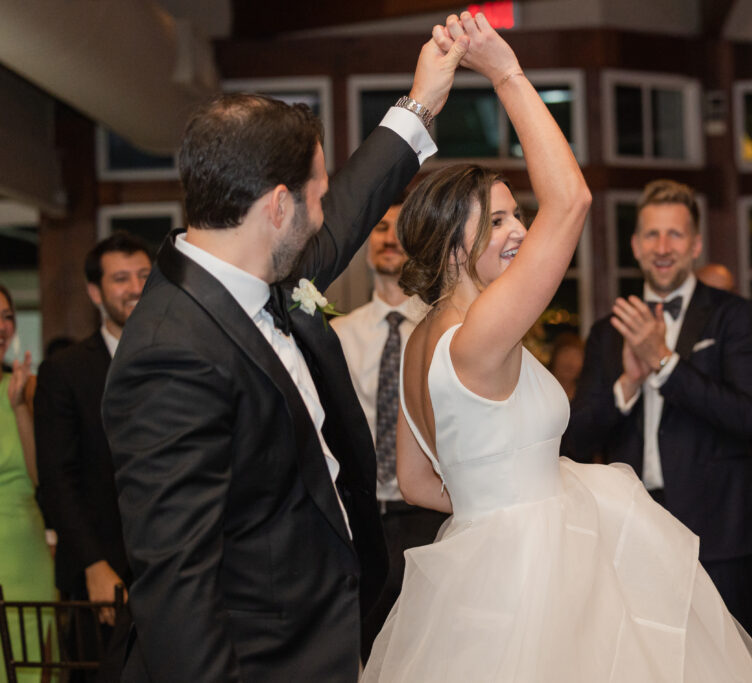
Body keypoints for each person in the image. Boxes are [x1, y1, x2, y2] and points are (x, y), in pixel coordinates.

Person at [363, 13, 752, 682]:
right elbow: (573, 199)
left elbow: (415, 480)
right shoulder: (481, 332)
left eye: (517, 213)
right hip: (536, 576)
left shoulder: (421, 339)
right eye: (496, 218)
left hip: (482, 569)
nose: (521, 229)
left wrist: (501, 499)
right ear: (450, 246)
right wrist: (506, 73)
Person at [100, 35, 466, 683]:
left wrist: (422, 102)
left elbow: (352, 207)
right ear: (277, 205)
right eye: (315, 195)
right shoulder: (169, 355)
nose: (326, 210)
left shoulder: (257, 266)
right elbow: (178, 587)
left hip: (320, 634)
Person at [562, 177, 752, 637]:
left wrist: (664, 362)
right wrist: (628, 384)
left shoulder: (732, 316)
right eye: (652, 235)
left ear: (695, 244)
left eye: (675, 234)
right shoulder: (607, 332)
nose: (663, 246)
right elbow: (576, 438)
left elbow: (746, 417)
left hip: (720, 531)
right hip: (634, 531)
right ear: (635, 246)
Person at [34, 233, 151, 680]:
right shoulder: (65, 371)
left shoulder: (179, 356)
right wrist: (93, 564)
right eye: (120, 279)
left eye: (143, 275)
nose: (136, 288)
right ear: (94, 292)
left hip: (171, 567)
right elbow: (57, 478)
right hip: (100, 573)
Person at [329, 204, 443, 660]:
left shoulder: (443, 330)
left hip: (430, 515)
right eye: (379, 228)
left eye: (400, 230)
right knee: (366, 649)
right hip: (363, 521)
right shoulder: (338, 333)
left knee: (430, 651)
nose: (389, 238)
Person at [0, 283, 56, 683]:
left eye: (6, 317)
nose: (2, 325)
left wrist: (19, 406)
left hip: (25, 558)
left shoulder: (25, 386)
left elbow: (43, 480)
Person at [547, 331, 584, 399]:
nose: (570, 362)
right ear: (555, 356)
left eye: (576, 356)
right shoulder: (541, 387)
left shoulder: (585, 395)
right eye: (565, 353)